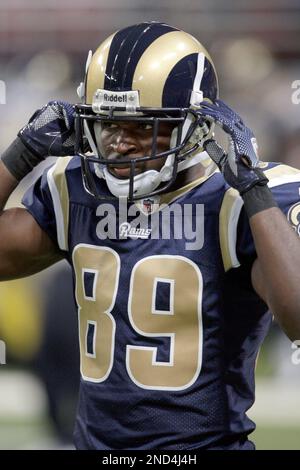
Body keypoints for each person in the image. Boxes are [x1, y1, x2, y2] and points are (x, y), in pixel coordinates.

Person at [1, 21, 300, 451]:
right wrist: (21, 153)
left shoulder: (237, 200)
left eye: (142, 127)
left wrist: (255, 192)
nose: (120, 144)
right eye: (108, 124)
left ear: (195, 125)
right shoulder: (75, 187)